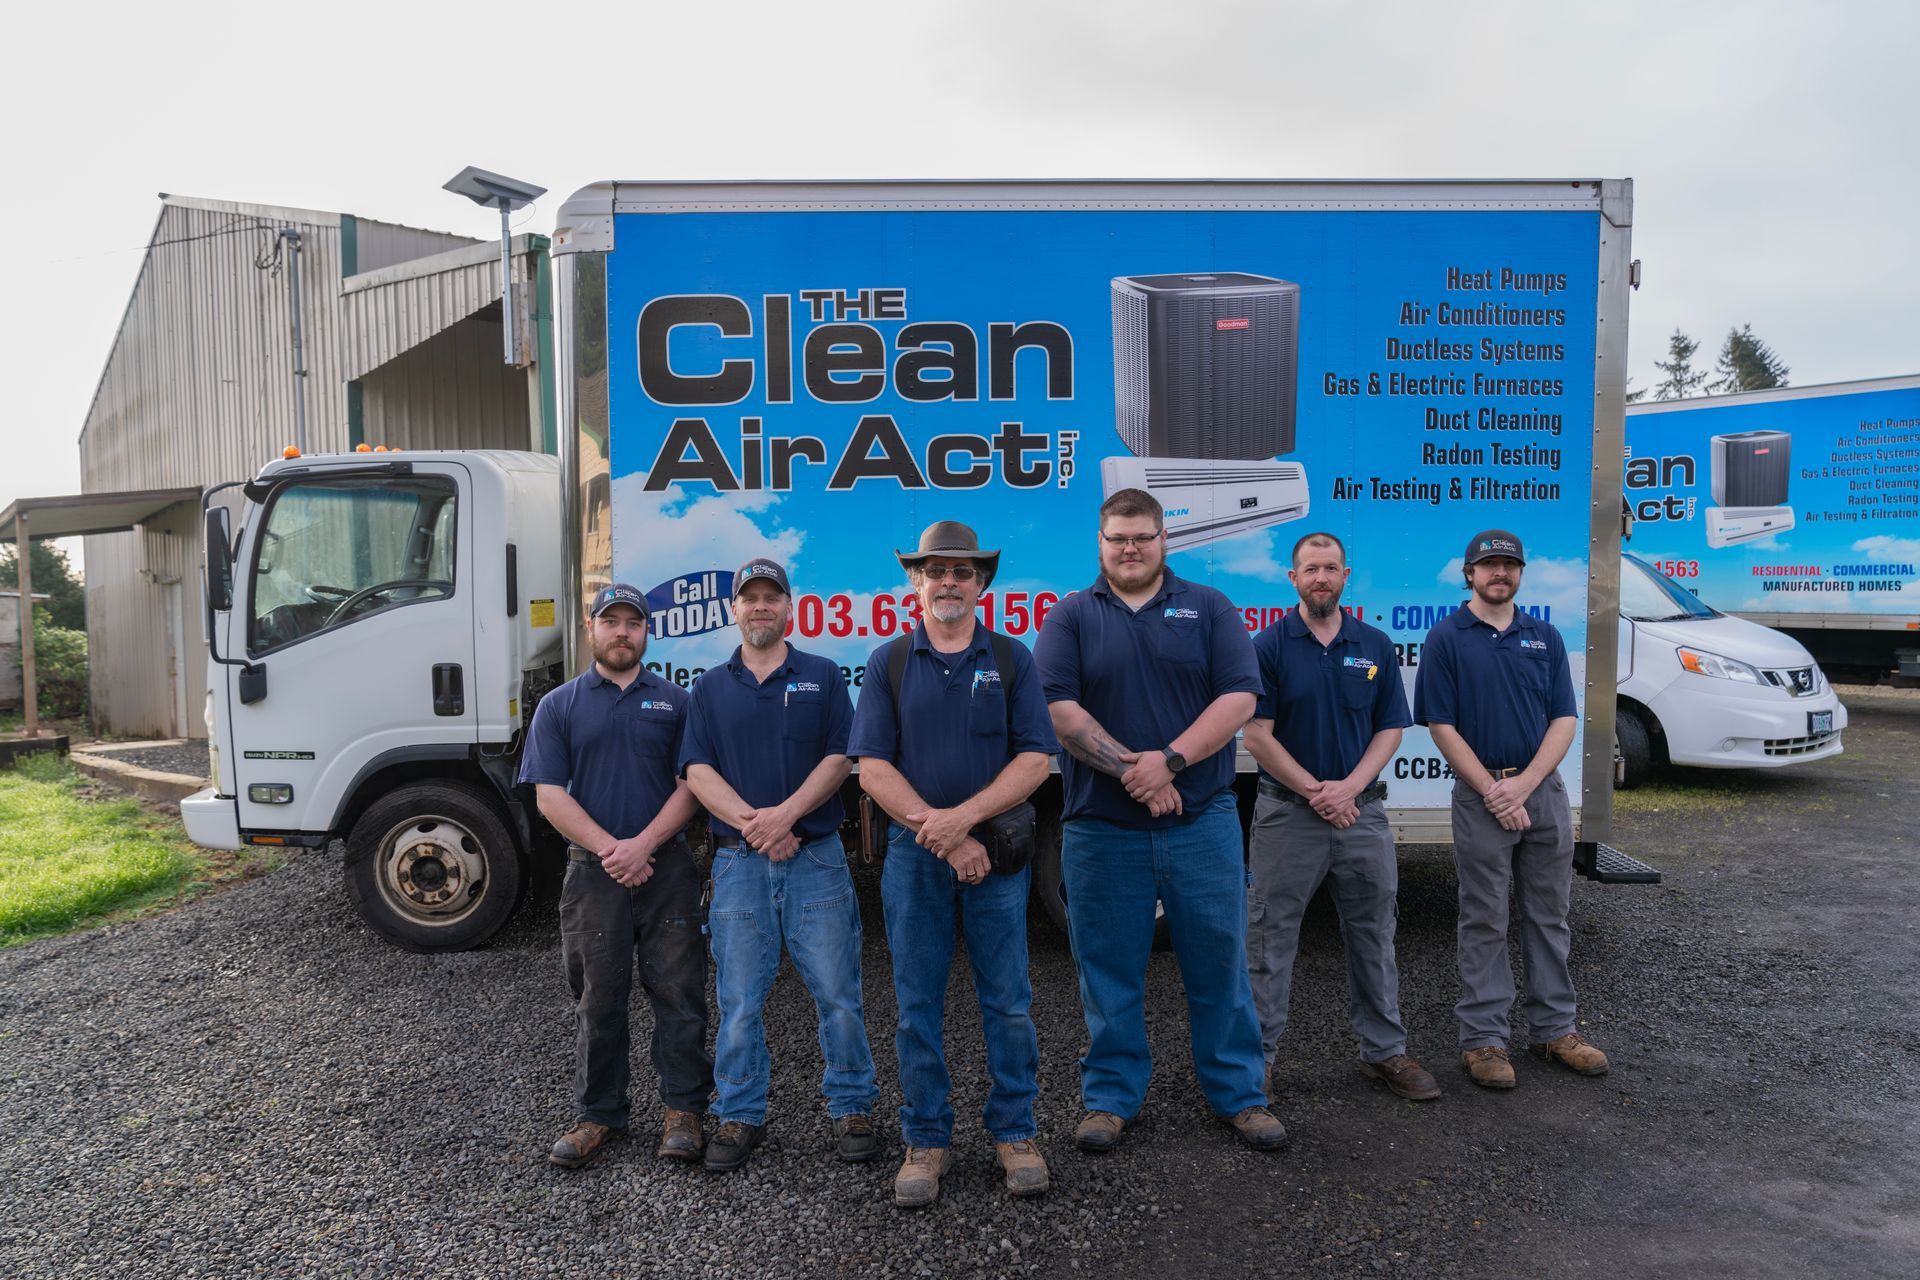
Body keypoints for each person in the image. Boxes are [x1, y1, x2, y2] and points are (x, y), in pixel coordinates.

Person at [1031, 488, 1287, 1153]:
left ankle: (1239, 1093)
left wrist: (1168, 763)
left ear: (1163, 538)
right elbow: (1057, 708)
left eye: (1142, 536)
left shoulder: (1209, 607)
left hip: (1200, 822)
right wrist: (1133, 773)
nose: (1130, 548)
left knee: (1219, 966)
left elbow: (1239, 698)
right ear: (1100, 542)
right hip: (1099, 829)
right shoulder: (1071, 616)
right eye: (1117, 538)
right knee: (1107, 973)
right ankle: (1110, 1097)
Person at [849, 521, 1060, 1208]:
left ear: (981, 584)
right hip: (916, 863)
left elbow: (1036, 759)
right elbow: (872, 769)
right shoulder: (890, 662)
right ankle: (927, 1141)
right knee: (916, 1007)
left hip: (994, 857)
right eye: (934, 570)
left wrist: (964, 824)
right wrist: (942, 835)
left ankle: (1016, 1132)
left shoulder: (1012, 658)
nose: (948, 582)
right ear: (916, 581)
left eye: (961, 572)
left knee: (1009, 1003)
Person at [678, 557, 880, 1171]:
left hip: (816, 859)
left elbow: (842, 755)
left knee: (839, 995)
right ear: (733, 610)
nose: (760, 606)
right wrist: (757, 826)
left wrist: (786, 817)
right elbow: (696, 770)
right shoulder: (710, 687)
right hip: (738, 864)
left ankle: (852, 1106)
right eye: (750, 598)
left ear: (789, 607)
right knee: (738, 999)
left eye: (772, 596)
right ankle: (740, 1115)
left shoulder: (820, 676)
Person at [520, 583, 712, 1169]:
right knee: (597, 998)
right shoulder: (560, 705)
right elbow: (550, 797)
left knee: (679, 993)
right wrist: (613, 851)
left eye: (634, 622)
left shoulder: (677, 703)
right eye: (612, 621)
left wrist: (645, 845)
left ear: (647, 632)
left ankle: (683, 1112)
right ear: (591, 628)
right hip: (592, 876)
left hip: (667, 870)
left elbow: (693, 786)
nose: (623, 631)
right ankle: (598, 1115)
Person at [1242, 532, 1439, 1102]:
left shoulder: (1373, 645)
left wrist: (1349, 788)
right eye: (1310, 569)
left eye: (1330, 568)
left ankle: (1384, 1053)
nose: (1321, 577)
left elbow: (1391, 728)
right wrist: (1315, 790)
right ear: (1293, 579)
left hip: (1362, 817)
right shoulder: (1268, 647)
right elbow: (1257, 736)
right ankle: (1257, 1061)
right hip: (1288, 816)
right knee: (1268, 941)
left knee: (1374, 936)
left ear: (1346, 576)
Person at [1413, 529, 1612, 1089]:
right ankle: (1484, 1041)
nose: (1499, 573)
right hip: (1482, 796)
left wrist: (1524, 785)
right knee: (1483, 918)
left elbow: (1564, 719)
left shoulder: (1543, 635)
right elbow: (1440, 724)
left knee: (1549, 915)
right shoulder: (1446, 638)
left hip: (1541, 792)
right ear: (1469, 574)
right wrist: (1493, 790)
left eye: (1509, 565)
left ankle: (1554, 1031)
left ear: (1520, 573)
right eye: (1489, 565)